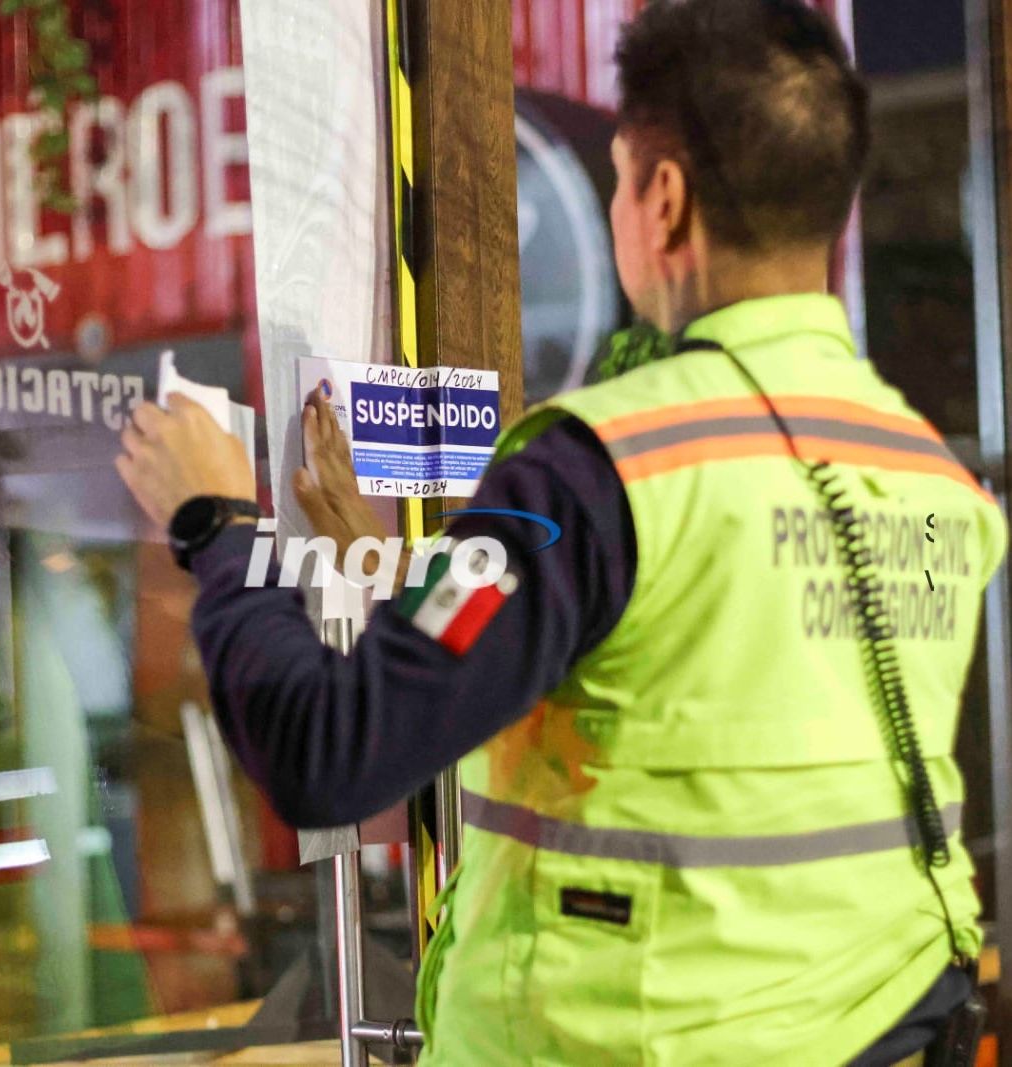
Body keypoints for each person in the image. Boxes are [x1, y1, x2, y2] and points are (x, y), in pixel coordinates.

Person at [116, 1, 1009, 1063]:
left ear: (661, 199)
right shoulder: (926, 475)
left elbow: (331, 751)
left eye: (618, 178)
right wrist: (388, 558)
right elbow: (688, 658)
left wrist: (216, 522)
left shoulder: (603, 468)